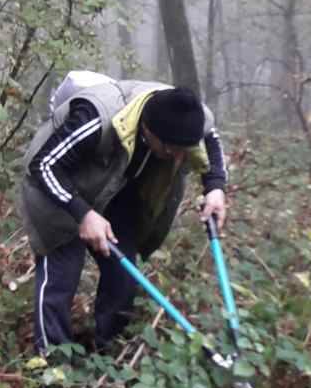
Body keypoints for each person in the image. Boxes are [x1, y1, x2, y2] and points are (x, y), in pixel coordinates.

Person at [19, 76, 228, 354]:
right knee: (61, 278)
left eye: (183, 151)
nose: (176, 157)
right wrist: (83, 214)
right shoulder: (97, 118)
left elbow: (209, 135)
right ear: (148, 130)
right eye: (170, 149)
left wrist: (215, 187)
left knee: (124, 277)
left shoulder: (187, 116)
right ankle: (50, 364)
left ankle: (111, 354)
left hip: (114, 195)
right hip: (59, 191)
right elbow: (43, 165)